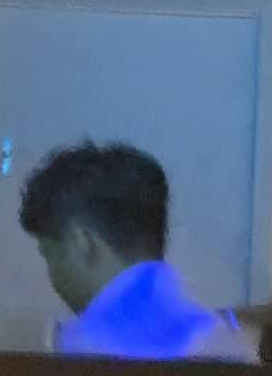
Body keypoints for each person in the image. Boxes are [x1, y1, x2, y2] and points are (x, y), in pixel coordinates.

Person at [17, 141, 248, 358]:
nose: (52, 277)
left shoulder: (83, 348)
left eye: (49, 255)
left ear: (82, 242)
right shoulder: (223, 336)